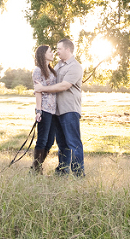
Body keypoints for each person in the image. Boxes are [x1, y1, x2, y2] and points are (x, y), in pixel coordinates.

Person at [34, 38, 84, 176]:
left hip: (69, 110)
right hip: (57, 111)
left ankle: (79, 173)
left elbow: (64, 85)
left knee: (74, 143)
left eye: (59, 49)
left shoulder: (75, 66)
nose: (57, 52)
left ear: (68, 49)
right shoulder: (58, 66)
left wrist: (42, 88)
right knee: (62, 144)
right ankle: (62, 171)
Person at [31, 45, 57, 173]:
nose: (53, 53)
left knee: (50, 140)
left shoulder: (51, 70)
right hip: (45, 109)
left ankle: (36, 166)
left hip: (54, 111)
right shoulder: (37, 70)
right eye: (50, 52)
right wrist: (38, 110)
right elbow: (38, 92)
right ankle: (36, 169)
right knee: (42, 139)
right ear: (43, 54)